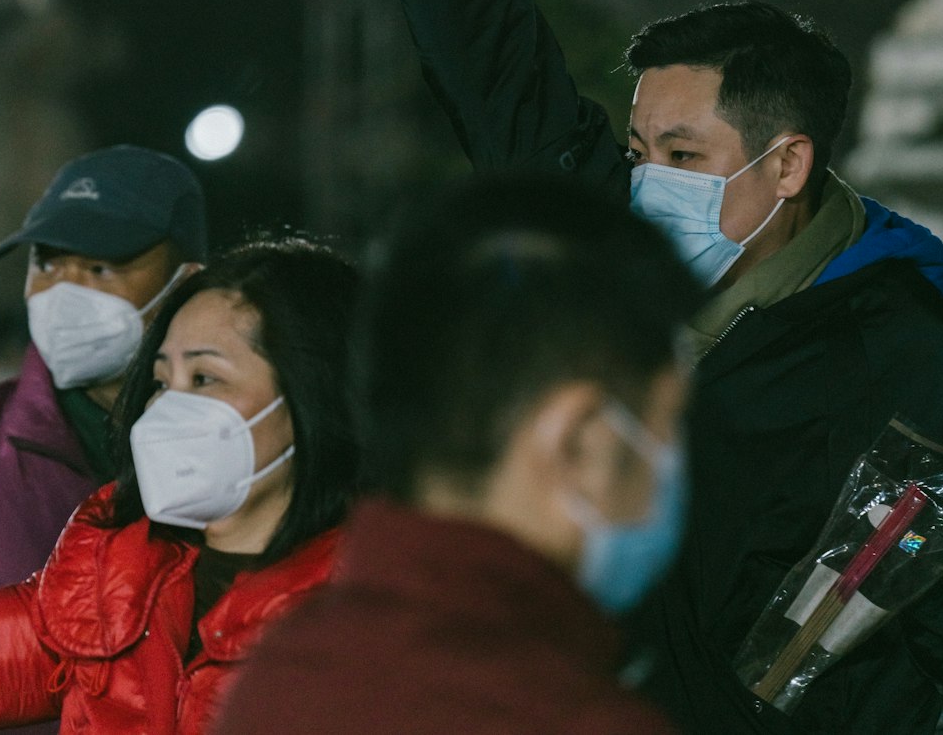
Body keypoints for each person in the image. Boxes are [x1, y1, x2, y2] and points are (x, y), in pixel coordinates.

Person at [317, 0, 943, 735]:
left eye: (682, 153)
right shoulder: (611, 251)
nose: (647, 178)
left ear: (785, 162)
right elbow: (494, 66)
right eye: (636, 147)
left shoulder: (909, 358)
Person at [216, 173, 699, 735]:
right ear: (581, 439)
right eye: (668, 424)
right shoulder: (579, 720)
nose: (675, 462)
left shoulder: (282, 673)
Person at [0, 237, 360, 735]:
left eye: (206, 379)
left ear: (311, 398)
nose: (166, 410)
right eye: (164, 382)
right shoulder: (119, 572)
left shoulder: (373, 627)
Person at [0, 145, 207, 616]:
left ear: (186, 282)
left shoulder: (245, 445)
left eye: (100, 268)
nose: (63, 293)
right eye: (46, 264)